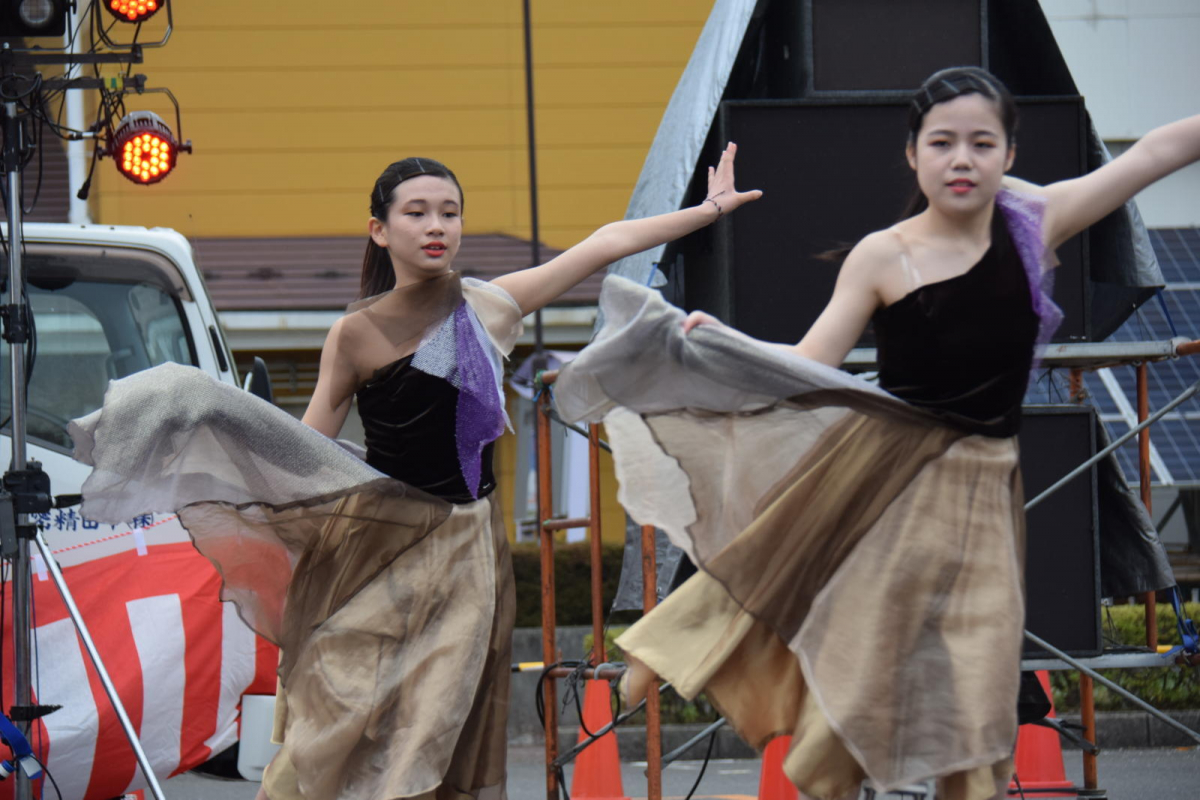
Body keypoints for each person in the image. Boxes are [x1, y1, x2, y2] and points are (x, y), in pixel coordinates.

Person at [552, 67, 1200, 800]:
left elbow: (1156, 151)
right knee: (813, 612)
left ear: (1009, 154)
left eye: (982, 143)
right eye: (943, 142)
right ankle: (678, 654)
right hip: (891, 468)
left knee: (984, 687)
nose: (962, 159)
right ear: (913, 154)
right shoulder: (884, 254)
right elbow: (811, 362)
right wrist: (728, 345)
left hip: (987, 483)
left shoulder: (1035, 219)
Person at [69, 150, 760, 800]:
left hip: (467, 552)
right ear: (379, 230)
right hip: (379, 547)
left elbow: (603, 243)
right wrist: (213, 420)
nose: (437, 226)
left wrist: (707, 211)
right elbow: (306, 448)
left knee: (433, 726)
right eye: (417, 212)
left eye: (449, 213)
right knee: (340, 707)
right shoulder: (353, 334)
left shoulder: (487, 306)